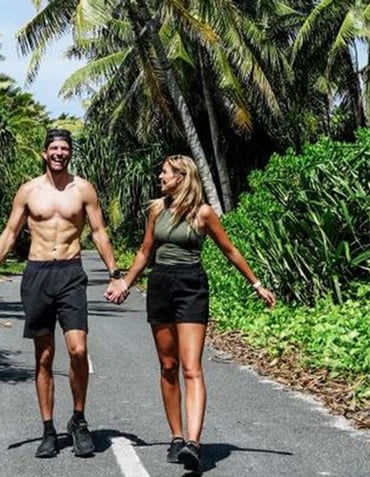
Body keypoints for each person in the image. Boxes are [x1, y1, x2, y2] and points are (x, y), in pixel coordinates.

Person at [105, 154, 275, 471]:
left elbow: (230, 250)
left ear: (182, 177)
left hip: (192, 287)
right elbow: (145, 252)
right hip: (160, 286)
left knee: (191, 367)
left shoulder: (203, 213)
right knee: (168, 366)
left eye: (165, 172)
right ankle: (176, 437)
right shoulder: (158, 210)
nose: (160, 176)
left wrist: (257, 284)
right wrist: (125, 284)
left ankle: (193, 444)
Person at [0, 129, 123, 459]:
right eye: (54, 148)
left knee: (78, 349)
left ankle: (79, 420)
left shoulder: (83, 189)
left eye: (65, 148)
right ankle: (47, 429)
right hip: (38, 274)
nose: (59, 153)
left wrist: (115, 274)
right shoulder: (29, 191)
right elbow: (10, 232)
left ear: (70, 153)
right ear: (45, 153)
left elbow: (99, 232)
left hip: (70, 273)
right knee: (43, 357)